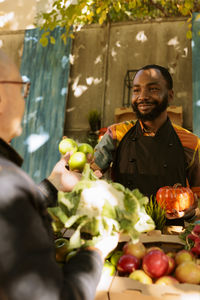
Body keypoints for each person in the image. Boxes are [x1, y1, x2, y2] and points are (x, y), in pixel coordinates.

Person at [0, 49, 118, 300]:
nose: (24, 100)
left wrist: (53, 184)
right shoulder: (8, 182)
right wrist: (95, 253)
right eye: (22, 89)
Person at [91, 64, 200, 224]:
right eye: (136, 90)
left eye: (153, 89)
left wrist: (189, 213)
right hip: (124, 233)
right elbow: (90, 177)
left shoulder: (191, 143)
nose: (142, 96)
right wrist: (83, 171)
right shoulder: (115, 134)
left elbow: (198, 199)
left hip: (171, 238)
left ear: (170, 95)